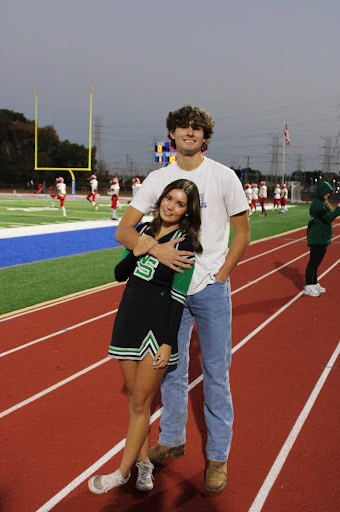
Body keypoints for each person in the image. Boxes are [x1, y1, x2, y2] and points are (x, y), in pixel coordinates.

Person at [113, 105, 250, 493]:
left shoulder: (223, 176)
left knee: (217, 375)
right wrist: (155, 249)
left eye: (196, 128)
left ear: (205, 136)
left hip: (209, 290)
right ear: (171, 134)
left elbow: (242, 235)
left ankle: (218, 457)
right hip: (164, 293)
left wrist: (220, 275)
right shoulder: (159, 178)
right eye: (182, 127)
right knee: (170, 369)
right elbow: (125, 231)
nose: (189, 133)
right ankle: (172, 439)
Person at [88, 179, 202, 494]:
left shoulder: (185, 245)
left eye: (180, 203)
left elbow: (179, 299)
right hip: (128, 320)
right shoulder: (147, 231)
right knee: (138, 404)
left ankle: (122, 473)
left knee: (140, 401)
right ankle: (144, 464)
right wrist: (139, 249)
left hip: (157, 328)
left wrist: (169, 342)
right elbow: (119, 274)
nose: (171, 206)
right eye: (169, 198)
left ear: (187, 212)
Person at [303, 181, 340, 297]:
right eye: (327, 192)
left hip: (321, 237)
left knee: (316, 262)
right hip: (316, 237)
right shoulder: (317, 204)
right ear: (321, 192)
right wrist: (338, 210)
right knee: (314, 262)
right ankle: (309, 286)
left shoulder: (321, 203)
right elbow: (327, 219)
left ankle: (314, 282)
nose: (328, 194)